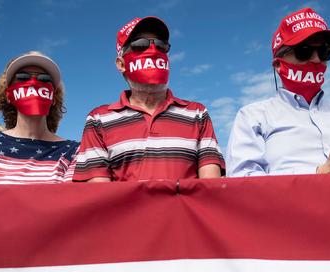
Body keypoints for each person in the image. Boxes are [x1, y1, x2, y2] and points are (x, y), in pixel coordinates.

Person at [226, 7, 330, 176]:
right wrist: (321, 173)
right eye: (304, 51)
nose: (316, 59)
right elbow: (242, 182)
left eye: (325, 52)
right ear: (278, 65)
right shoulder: (253, 117)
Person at [73, 16, 225, 182]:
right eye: (140, 45)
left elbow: (211, 187)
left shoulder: (197, 113)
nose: (153, 51)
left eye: (161, 45)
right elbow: (100, 195)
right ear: (121, 64)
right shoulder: (98, 119)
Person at [0, 51, 79, 185]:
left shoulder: (73, 151)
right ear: (8, 94)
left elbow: (69, 201)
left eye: (44, 79)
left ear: (54, 96)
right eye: (22, 77)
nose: (34, 83)